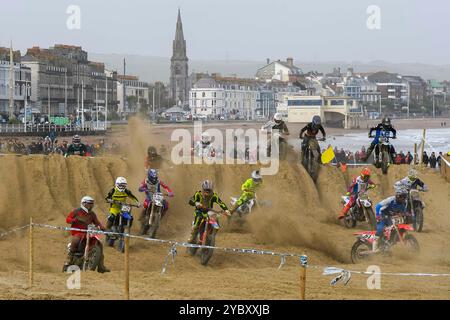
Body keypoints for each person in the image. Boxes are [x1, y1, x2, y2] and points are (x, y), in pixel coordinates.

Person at [64, 196, 110, 273]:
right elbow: (68, 219)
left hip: (88, 232)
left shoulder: (92, 214)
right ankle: (69, 259)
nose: (91, 205)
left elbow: (97, 223)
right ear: (83, 203)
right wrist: (73, 220)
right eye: (89, 204)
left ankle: (101, 266)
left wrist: (104, 229)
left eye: (92, 204)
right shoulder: (77, 211)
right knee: (76, 239)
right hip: (78, 232)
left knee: (99, 243)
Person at [187, 180, 229, 244]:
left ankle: (211, 236)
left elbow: (220, 203)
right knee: (198, 218)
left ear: (211, 190)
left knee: (216, 221)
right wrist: (196, 203)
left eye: (209, 190)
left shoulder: (214, 195)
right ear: (203, 189)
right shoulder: (198, 194)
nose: (207, 192)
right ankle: (192, 236)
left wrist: (226, 210)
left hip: (209, 212)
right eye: (206, 190)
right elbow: (191, 200)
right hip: (199, 211)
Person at [373, 186, 409, 252]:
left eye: (405, 196)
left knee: (393, 230)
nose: (403, 198)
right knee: (380, 229)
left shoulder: (404, 203)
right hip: (382, 215)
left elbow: (403, 212)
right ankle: (374, 249)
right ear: (398, 196)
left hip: (390, 216)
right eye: (402, 196)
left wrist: (406, 214)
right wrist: (377, 215)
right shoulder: (390, 200)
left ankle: (386, 245)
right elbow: (378, 206)